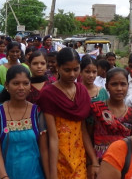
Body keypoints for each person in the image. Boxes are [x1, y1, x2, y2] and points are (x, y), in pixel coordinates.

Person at [37, 47, 98, 179]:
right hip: (58, 157)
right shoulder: (48, 94)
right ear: (57, 67)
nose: (72, 74)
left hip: (79, 156)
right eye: (67, 70)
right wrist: (52, 174)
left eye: (76, 69)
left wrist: (93, 161)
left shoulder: (82, 91)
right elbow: (52, 137)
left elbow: (83, 130)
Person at [0, 65, 49, 179]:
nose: (21, 87)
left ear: (30, 86)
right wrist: (4, 176)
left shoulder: (37, 112)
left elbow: (43, 150)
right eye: (16, 83)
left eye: (25, 83)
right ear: (6, 86)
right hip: (3, 174)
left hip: (33, 174)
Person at [88, 68, 132, 161]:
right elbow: (88, 136)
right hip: (100, 161)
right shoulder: (96, 109)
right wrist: (92, 163)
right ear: (106, 86)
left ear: (128, 86)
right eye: (114, 84)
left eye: (123, 84)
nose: (119, 88)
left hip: (123, 161)